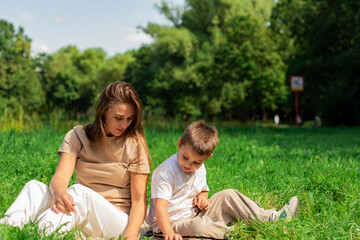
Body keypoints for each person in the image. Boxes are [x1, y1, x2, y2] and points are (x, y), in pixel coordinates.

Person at [0, 81, 151, 240]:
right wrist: (58, 193)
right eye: (119, 118)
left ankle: (40, 234)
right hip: (82, 212)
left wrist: (132, 235)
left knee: (79, 192)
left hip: (119, 221)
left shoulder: (135, 143)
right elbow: (60, 177)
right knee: (34, 188)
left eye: (129, 119)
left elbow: (139, 200)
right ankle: (7, 230)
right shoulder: (77, 135)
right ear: (103, 111)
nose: (124, 124)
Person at [149, 120, 299, 240]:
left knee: (228, 194)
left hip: (195, 214)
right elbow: (160, 208)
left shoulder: (199, 168)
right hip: (169, 226)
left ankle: (271, 218)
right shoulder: (165, 173)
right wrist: (168, 233)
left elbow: (203, 190)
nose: (189, 165)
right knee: (199, 226)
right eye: (185, 157)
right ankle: (241, 233)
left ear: (207, 158)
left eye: (196, 162)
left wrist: (203, 198)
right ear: (179, 144)